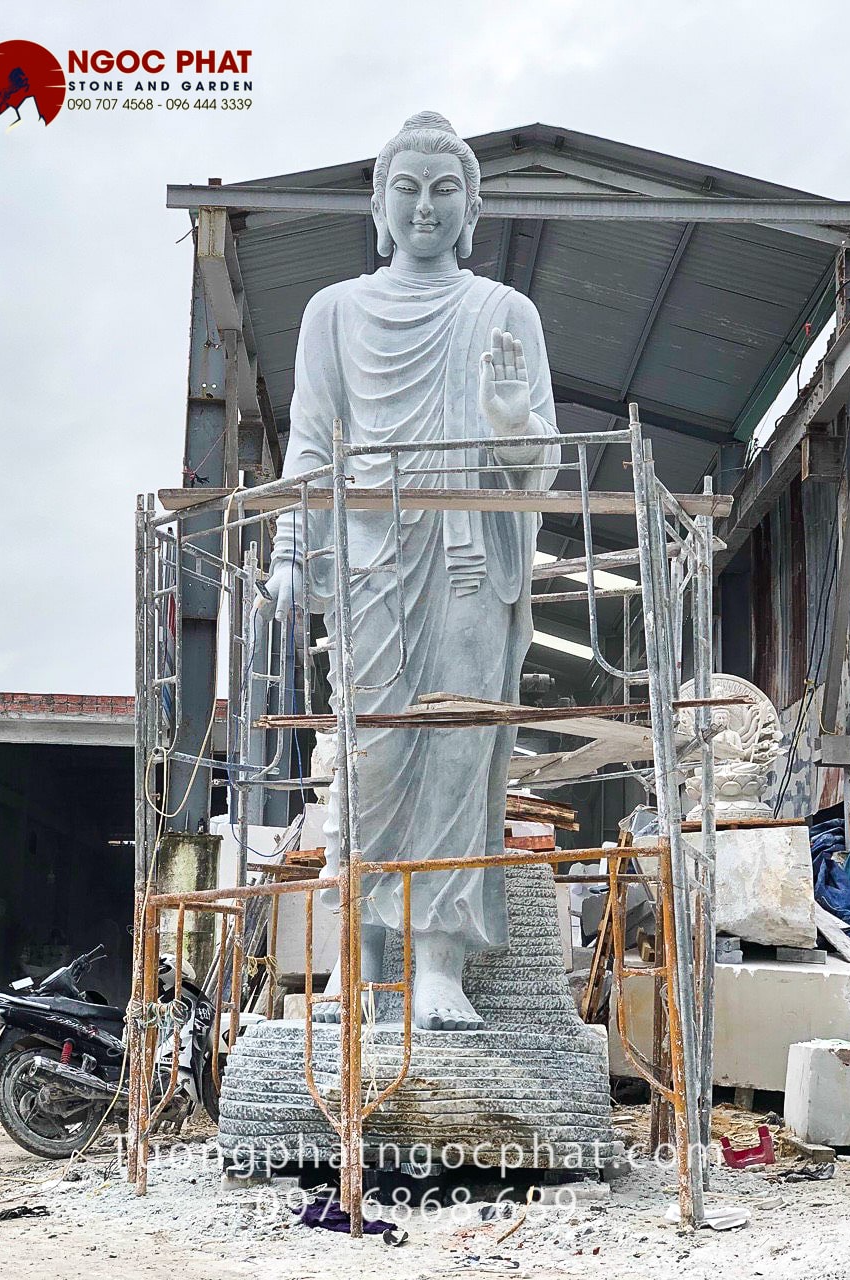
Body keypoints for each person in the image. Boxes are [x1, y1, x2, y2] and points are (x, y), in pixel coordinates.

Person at [262, 112, 559, 1030]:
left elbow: (542, 464)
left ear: (472, 207)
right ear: (380, 206)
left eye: (444, 190)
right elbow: (312, 442)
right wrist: (288, 548)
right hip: (371, 559)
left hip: (471, 561)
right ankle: (358, 962)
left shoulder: (505, 312)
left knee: (459, 751)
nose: (426, 207)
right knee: (371, 757)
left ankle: (438, 966)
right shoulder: (334, 311)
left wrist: (512, 424)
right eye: (408, 188)